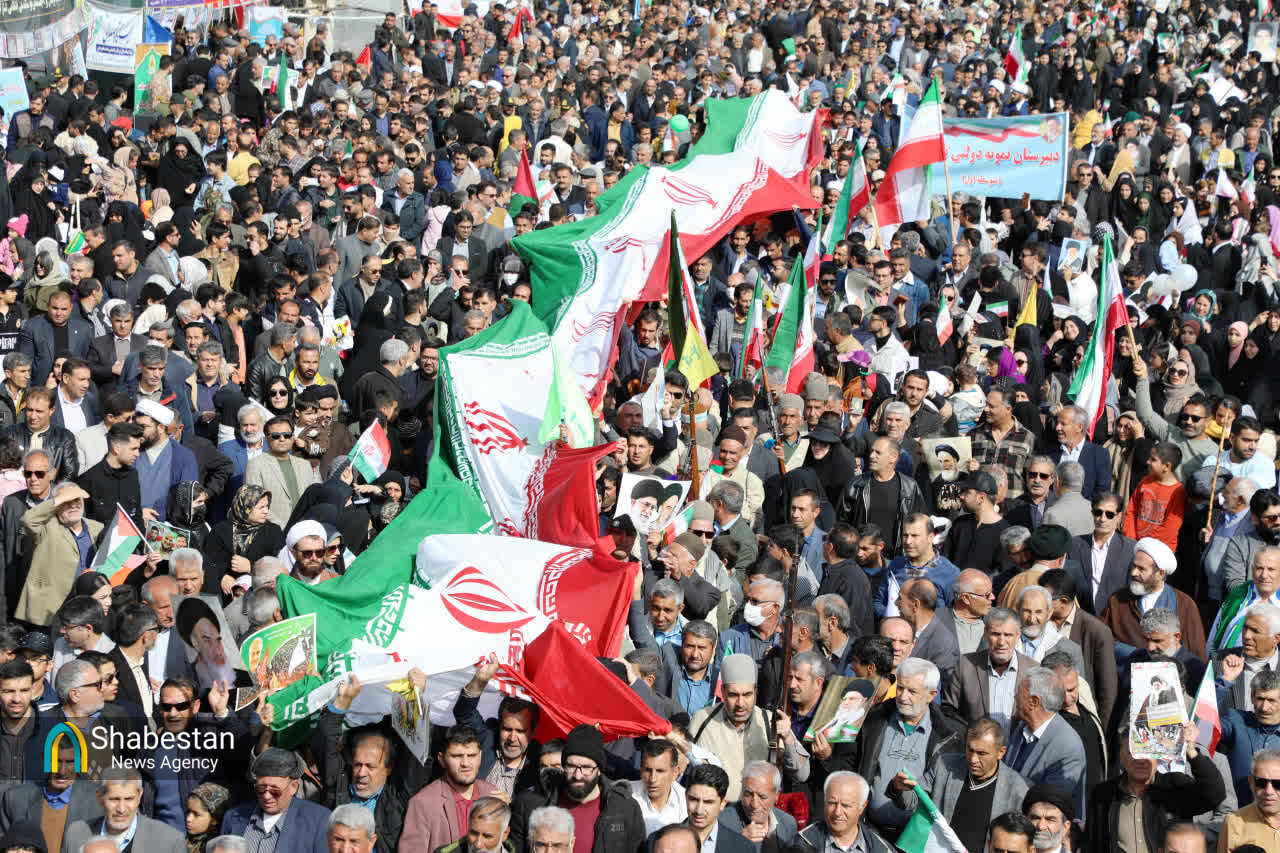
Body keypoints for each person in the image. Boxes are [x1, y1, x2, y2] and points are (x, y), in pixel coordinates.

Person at [888, 718, 1030, 853]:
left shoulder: (1018, 789)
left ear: (1001, 752)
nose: (973, 759)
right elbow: (913, 801)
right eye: (970, 750)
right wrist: (898, 788)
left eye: (981, 753)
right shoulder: (945, 766)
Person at [509, 725, 645, 853]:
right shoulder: (530, 804)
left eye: (586, 768)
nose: (578, 775)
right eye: (571, 766)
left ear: (599, 770)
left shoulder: (625, 808)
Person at [400, 726, 499, 853]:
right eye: (457, 756)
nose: (465, 763)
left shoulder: (492, 794)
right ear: (441, 759)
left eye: (471, 755)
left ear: (480, 756)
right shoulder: (422, 803)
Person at [220, 748, 331, 853]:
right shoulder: (233, 817)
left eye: (275, 791)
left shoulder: (318, 821)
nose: (266, 796)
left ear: (293, 787)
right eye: (261, 789)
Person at [61, 767, 186, 853]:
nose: (121, 809)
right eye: (114, 799)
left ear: (140, 796)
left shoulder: (169, 842)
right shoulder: (77, 835)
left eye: (129, 799)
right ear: (100, 797)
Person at [790, 772, 893, 853]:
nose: (837, 812)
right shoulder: (800, 843)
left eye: (845, 805)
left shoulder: (882, 849)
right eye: (832, 803)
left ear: (862, 807)